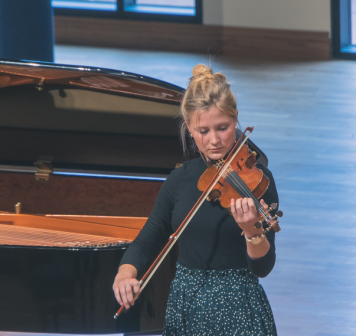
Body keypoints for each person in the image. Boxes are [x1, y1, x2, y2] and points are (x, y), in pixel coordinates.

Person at [113, 64, 279, 335]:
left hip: (239, 306)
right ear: (190, 127)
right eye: (203, 131)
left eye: (222, 128)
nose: (214, 140)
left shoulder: (258, 180)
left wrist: (252, 232)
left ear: (236, 119)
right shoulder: (179, 181)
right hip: (186, 304)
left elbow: (263, 267)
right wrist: (125, 274)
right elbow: (148, 239)